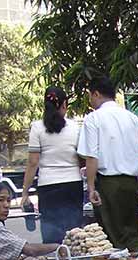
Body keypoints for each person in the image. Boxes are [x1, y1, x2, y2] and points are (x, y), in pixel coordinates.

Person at [77, 74, 138, 253]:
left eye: (90, 95)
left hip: (108, 184)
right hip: (131, 183)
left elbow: (91, 157)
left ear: (96, 94)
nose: (90, 100)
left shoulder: (93, 119)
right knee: (132, 233)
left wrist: (91, 188)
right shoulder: (132, 118)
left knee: (112, 238)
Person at [20, 86, 84, 244]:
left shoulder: (37, 127)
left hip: (48, 187)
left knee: (51, 234)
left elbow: (33, 162)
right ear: (64, 105)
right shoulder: (75, 127)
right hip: (73, 185)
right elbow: (82, 158)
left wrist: (25, 192)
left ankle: (54, 259)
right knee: (75, 234)